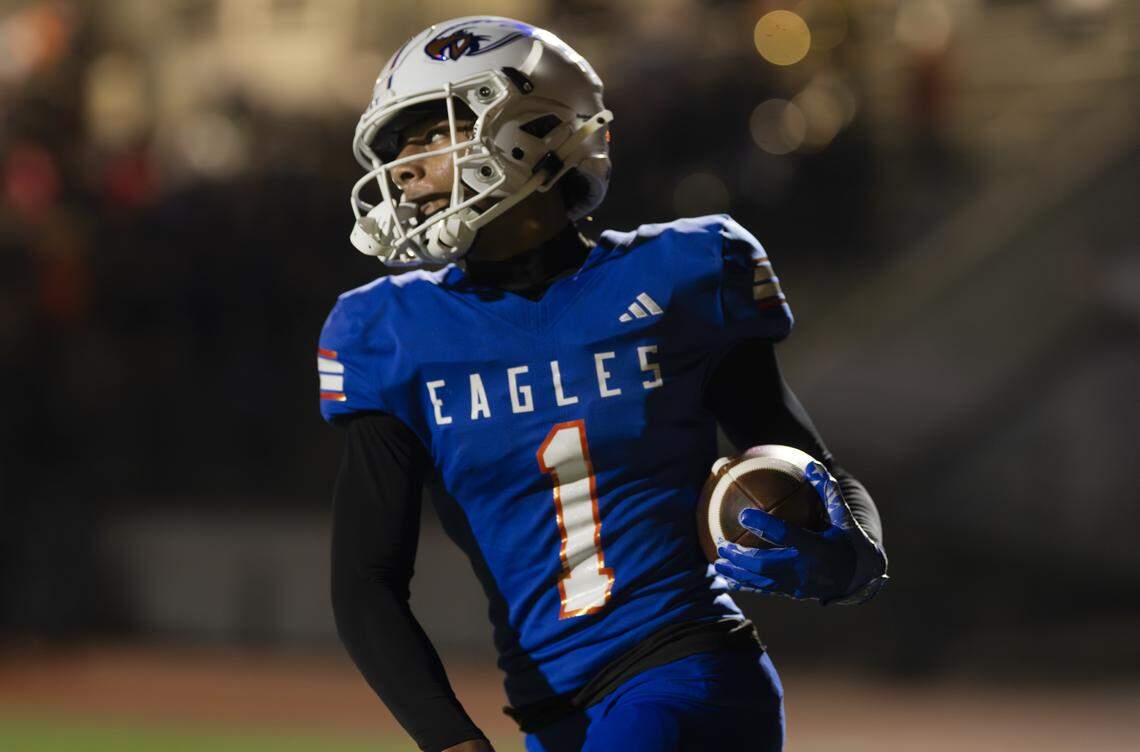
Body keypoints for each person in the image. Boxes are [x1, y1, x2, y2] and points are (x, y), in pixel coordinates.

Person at [319, 16, 887, 752]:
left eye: (434, 133)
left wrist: (850, 551)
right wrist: (448, 737)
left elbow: (808, 464)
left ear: (532, 127)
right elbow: (365, 581)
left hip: (687, 678)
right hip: (554, 719)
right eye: (400, 147)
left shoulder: (679, 276)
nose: (406, 167)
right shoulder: (390, 331)